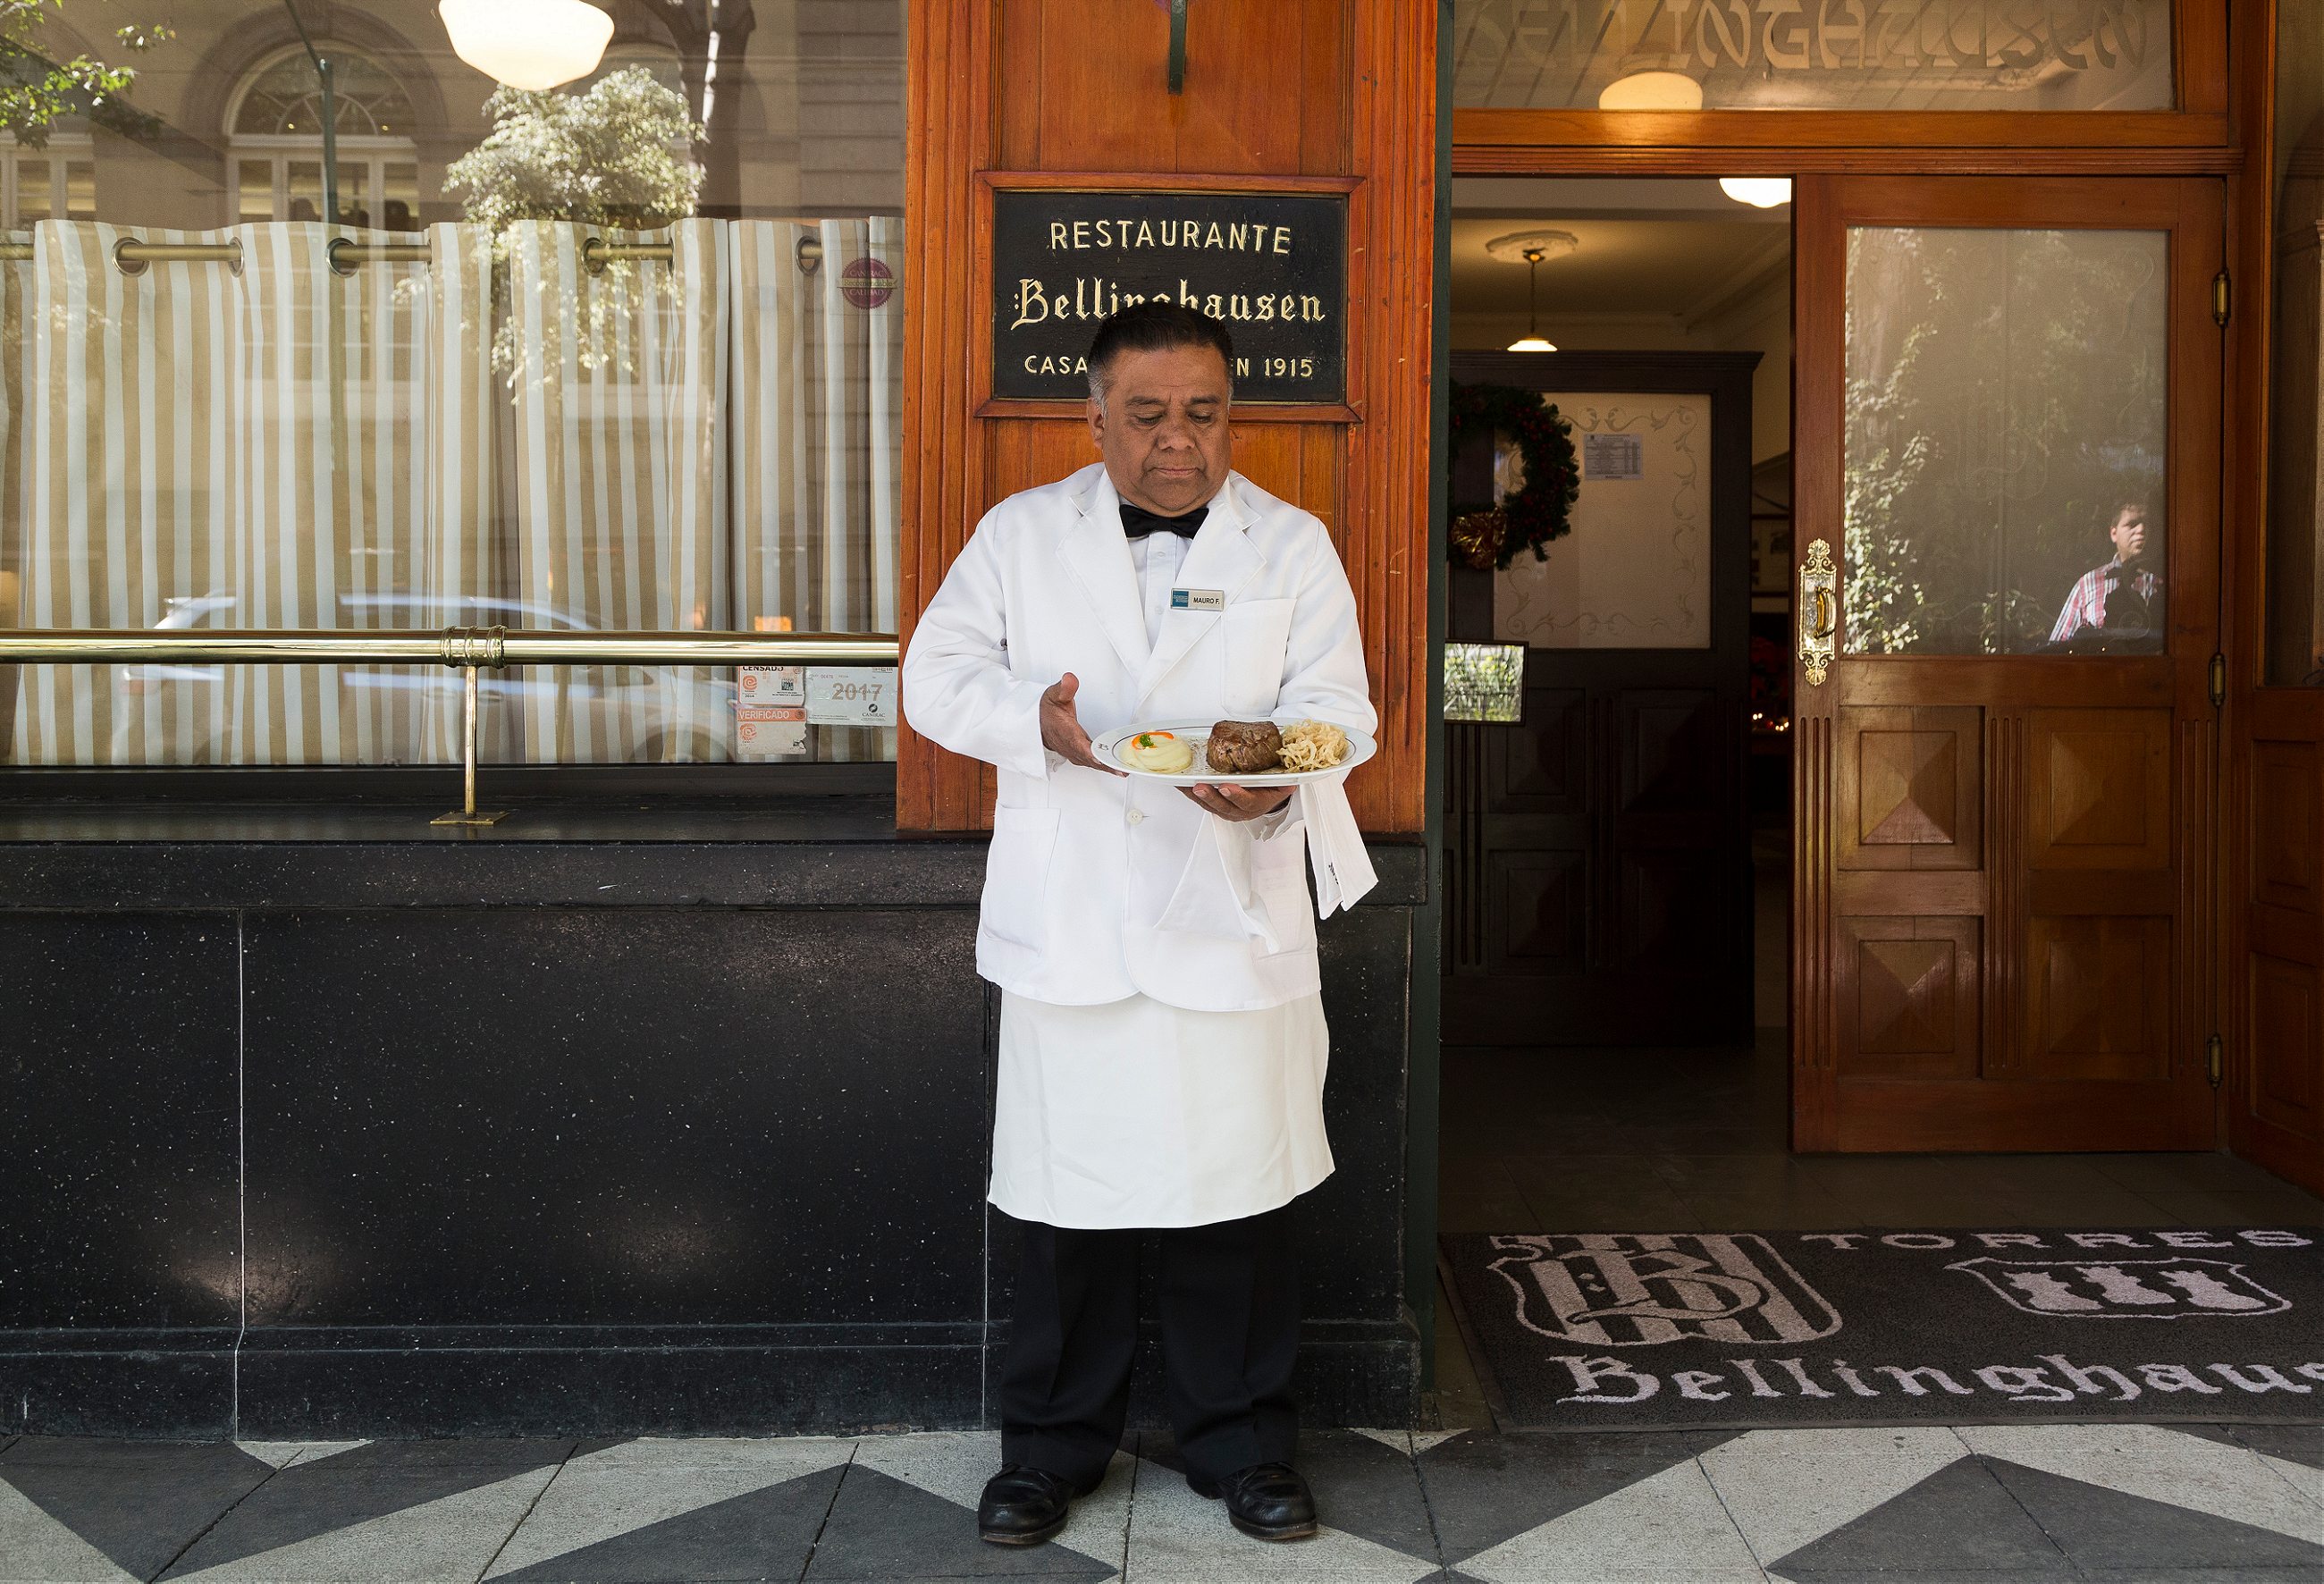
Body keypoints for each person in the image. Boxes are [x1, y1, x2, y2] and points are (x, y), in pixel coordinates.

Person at [901, 301, 1376, 1548]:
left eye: (1206, 413)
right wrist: (1031, 724)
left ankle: (1245, 1446)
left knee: (1241, 1198)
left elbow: (1340, 706)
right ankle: (1049, 1451)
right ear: (1096, 415)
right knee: (1065, 1204)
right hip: (1075, 915)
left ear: (1234, 414)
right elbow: (934, 675)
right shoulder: (1020, 534)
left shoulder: (1291, 541)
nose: (1181, 443)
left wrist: (1275, 772)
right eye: (1151, 414)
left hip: (1230, 909)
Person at [2049, 501, 2161, 645]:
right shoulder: (2089, 583)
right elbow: (2058, 647)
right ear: (2114, 533)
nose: (2141, 530)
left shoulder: (2158, 584)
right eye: (2132, 524)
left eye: (2146, 524)